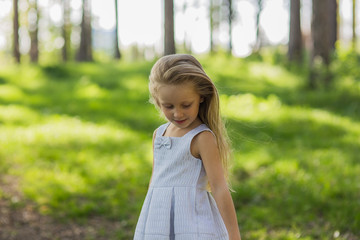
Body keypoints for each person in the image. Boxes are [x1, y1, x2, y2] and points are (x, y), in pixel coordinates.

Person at [134, 54, 241, 240]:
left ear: (201, 97)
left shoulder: (201, 138)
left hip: (192, 223)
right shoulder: (159, 135)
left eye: (186, 105)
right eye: (168, 106)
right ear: (157, 101)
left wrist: (234, 236)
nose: (178, 113)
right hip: (157, 222)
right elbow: (155, 182)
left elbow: (219, 188)